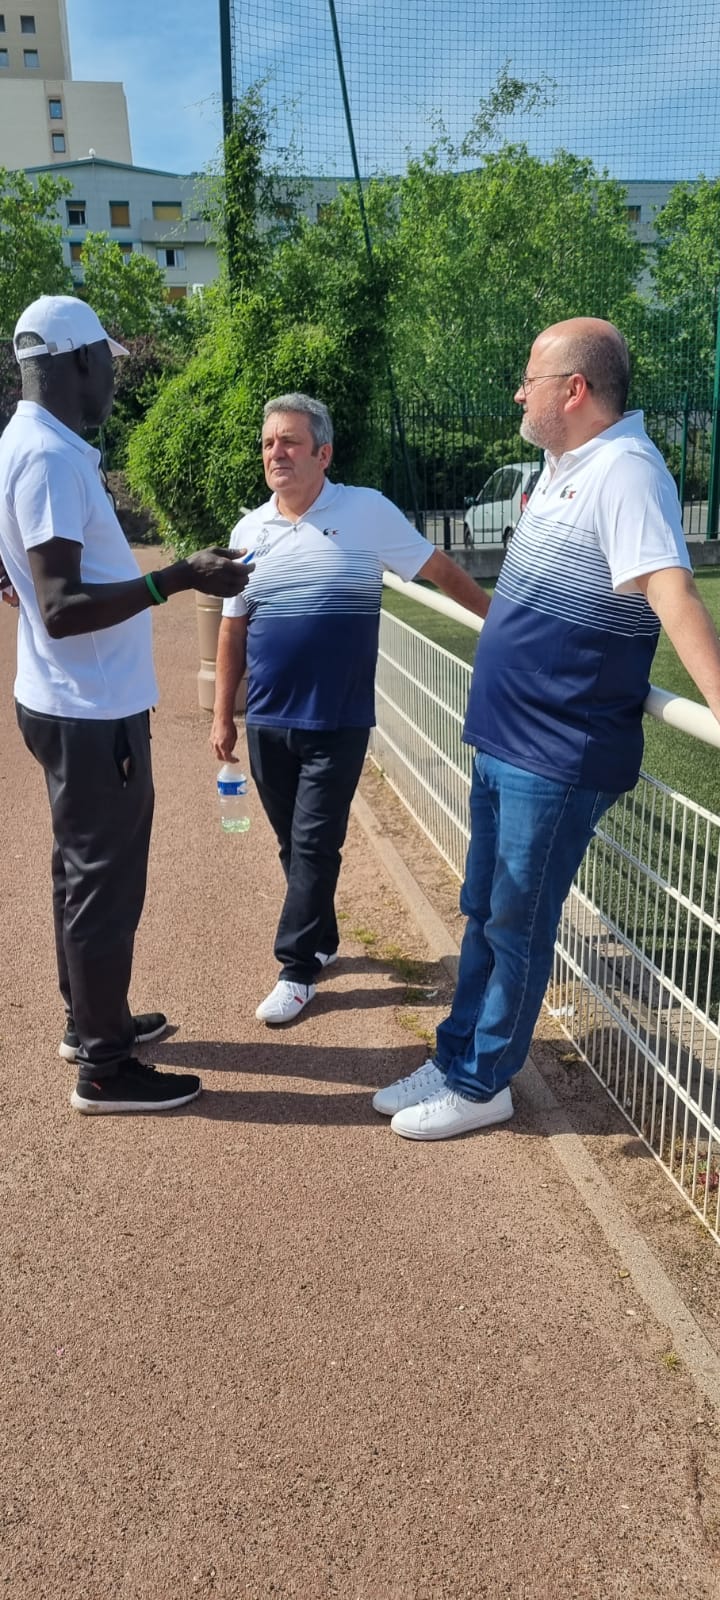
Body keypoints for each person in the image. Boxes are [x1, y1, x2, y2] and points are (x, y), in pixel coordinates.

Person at [374, 316, 720, 1140]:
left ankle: (485, 1080)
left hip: (559, 751)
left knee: (514, 921)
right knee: (484, 908)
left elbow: (673, 592)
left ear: (574, 389)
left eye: (529, 378)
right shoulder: (566, 466)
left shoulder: (627, 470)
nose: (517, 393)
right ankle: (458, 1055)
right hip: (509, 737)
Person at [0, 294, 253, 1115]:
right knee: (104, 885)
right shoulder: (51, 457)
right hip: (88, 707)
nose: (114, 375)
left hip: (64, 701)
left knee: (80, 873)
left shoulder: (26, 441)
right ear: (78, 363)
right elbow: (65, 607)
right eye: (107, 360)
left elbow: (40, 583)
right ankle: (105, 1068)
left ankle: (90, 1021)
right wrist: (176, 578)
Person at [211, 391, 490, 1024]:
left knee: (314, 843)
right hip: (268, 720)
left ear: (323, 452)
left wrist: (499, 627)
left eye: (289, 441)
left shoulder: (366, 512)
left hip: (337, 719)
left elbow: (440, 569)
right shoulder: (249, 531)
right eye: (267, 443)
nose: (275, 453)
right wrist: (221, 714)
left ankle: (297, 967)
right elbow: (234, 626)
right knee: (293, 843)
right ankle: (323, 936)